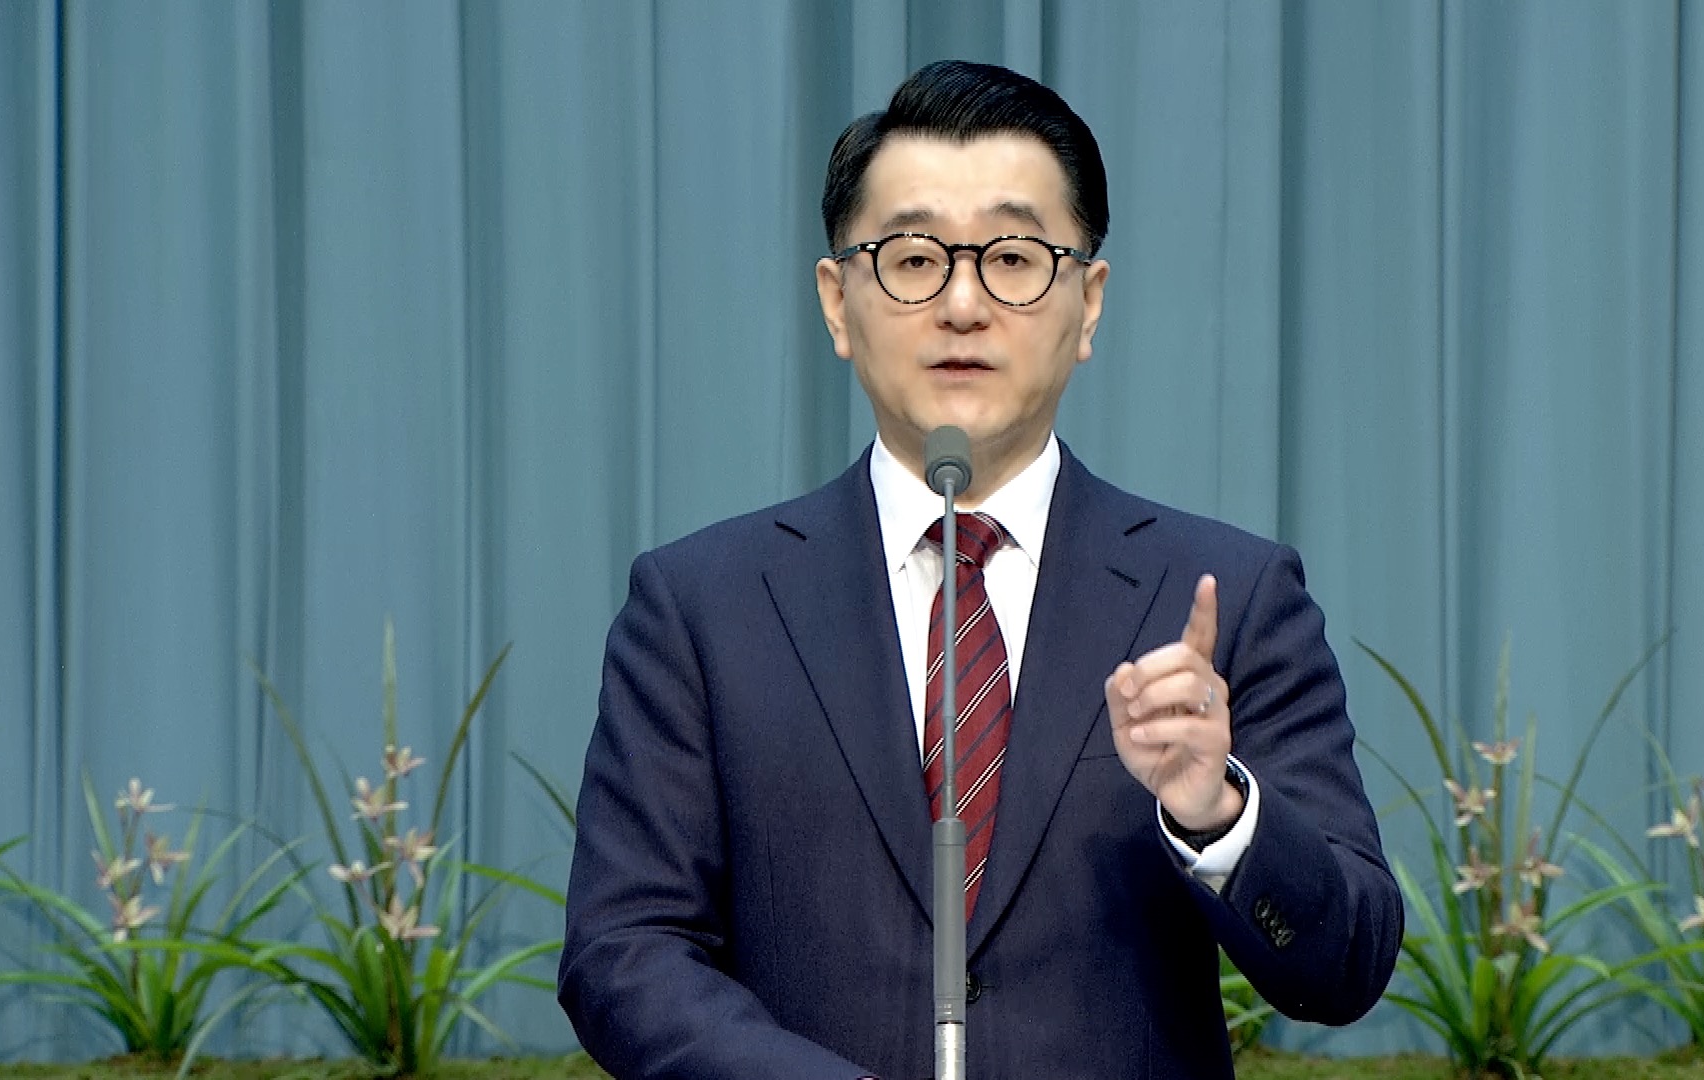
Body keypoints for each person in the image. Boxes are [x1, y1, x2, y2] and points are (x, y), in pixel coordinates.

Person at [559, 59, 1402, 1080]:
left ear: (1089, 304)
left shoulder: (1226, 595)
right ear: (837, 302)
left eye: (1013, 258)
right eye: (913, 259)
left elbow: (1345, 967)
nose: (963, 304)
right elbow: (624, 953)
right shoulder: (701, 607)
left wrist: (1215, 809)